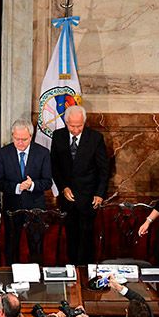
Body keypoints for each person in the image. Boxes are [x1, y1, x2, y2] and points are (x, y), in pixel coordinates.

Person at [50, 105, 109, 264]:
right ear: (66, 121)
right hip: (68, 198)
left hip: (89, 197)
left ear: (84, 122)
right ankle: (73, 271)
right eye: (72, 125)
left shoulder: (95, 138)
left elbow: (104, 169)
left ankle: (86, 271)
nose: (75, 129)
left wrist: (100, 193)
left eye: (79, 125)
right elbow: (55, 166)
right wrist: (63, 187)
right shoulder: (58, 136)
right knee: (71, 237)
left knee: (87, 237)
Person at [0, 119, 52, 263]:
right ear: (12, 136)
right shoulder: (3, 153)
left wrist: (32, 185)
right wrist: (17, 188)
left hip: (35, 207)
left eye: (24, 139)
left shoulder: (43, 153)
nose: (20, 143)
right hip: (12, 206)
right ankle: (11, 276)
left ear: (30, 137)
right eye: (16, 139)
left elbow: (47, 182)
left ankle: (35, 277)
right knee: (12, 245)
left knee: (35, 246)